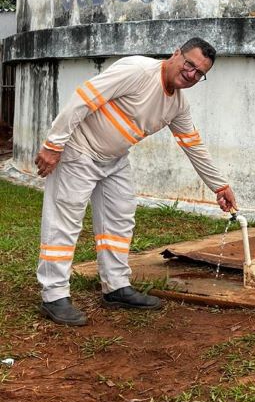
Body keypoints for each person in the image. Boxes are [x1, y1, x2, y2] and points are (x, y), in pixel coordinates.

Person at [34, 38, 237, 327]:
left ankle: (116, 287)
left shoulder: (178, 105)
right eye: (189, 64)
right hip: (79, 151)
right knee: (64, 223)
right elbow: (84, 98)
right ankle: (54, 295)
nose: (191, 74)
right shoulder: (137, 70)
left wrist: (219, 185)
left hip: (113, 159)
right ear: (175, 53)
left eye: (199, 73)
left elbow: (192, 145)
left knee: (120, 219)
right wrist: (54, 144)